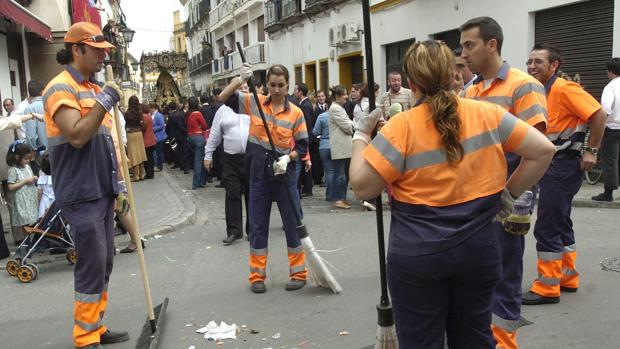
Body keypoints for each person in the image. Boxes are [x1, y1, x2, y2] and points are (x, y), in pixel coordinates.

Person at [349, 39, 555, 349]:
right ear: (453, 74)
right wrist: (507, 195)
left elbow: (363, 186)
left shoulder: (401, 127)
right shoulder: (488, 114)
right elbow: (543, 151)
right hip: (479, 251)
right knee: (474, 338)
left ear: (410, 81)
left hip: (418, 256)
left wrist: (361, 136)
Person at [459, 16, 548, 348]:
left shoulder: (523, 85)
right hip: (475, 198)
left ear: (491, 45)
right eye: (463, 46)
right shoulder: (470, 90)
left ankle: (504, 343)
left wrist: (515, 199)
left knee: (504, 274)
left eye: (470, 45)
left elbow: (537, 148)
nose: (464, 53)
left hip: (508, 196)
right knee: (480, 273)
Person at [42, 21, 128, 348]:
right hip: (81, 192)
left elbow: (106, 142)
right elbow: (77, 135)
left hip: (102, 190)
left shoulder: (92, 89)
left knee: (104, 261)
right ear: (76, 49)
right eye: (98, 51)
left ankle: (96, 325)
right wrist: (106, 100)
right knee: (92, 264)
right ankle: (86, 335)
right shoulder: (60, 88)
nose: (104, 57)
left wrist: (118, 186)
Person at [522, 43, 606, 305]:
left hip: (563, 165)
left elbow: (600, 114)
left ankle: (547, 287)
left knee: (547, 224)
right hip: (553, 164)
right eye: (530, 61)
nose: (532, 66)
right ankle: (567, 277)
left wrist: (591, 150)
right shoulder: (539, 91)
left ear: (554, 65)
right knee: (561, 222)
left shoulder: (564, 88)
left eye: (538, 62)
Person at [218, 63, 308, 294]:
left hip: (284, 174)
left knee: (293, 223)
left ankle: (298, 272)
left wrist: (289, 157)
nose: (276, 89)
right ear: (267, 84)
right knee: (258, 225)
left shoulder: (296, 113)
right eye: (272, 85)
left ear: (288, 86)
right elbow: (222, 97)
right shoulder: (254, 102)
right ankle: (257, 276)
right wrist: (239, 79)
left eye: (281, 85)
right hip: (258, 176)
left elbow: (303, 145)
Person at [204, 86, 250, 245]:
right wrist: (208, 154)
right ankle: (234, 231)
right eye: (238, 88)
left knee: (253, 194)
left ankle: (253, 229)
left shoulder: (254, 107)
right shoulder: (223, 111)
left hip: (251, 158)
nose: (242, 90)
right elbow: (215, 134)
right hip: (230, 159)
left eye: (245, 87)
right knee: (232, 193)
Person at [592, 57, 620, 202]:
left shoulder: (610, 87)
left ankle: (608, 193)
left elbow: (605, 111)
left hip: (612, 129)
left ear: (609, 72)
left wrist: (598, 129)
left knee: (610, 161)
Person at [6, 141, 38, 245]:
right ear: (17, 157)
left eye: (29, 159)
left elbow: (30, 177)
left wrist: (34, 179)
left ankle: (33, 241)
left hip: (30, 199)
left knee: (32, 220)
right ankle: (26, 242)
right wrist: (24, 182)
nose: (28, 161)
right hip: (21, 201)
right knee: (24, 222)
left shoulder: (27, 167)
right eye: (25, 159)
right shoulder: (13, 170)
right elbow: (10, 186)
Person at [328, 85, 355, 209]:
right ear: (337, 97)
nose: (346, 96)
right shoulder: (335, 109)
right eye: (344, 94)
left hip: (343, 146)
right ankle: (338, 199)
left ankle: (341, 198)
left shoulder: (339, 108)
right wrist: (352, 124)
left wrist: (351, 123)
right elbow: (348, 126)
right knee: (340, 174)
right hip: (340, 146)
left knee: (343, 173)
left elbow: (349, 123)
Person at [294, 83, 314, 197]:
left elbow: (307, 123)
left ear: (300, 92)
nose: (294, 92)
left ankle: (307, 188)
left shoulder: (305, 105)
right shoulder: (304, 104)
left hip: (305, 137)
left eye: (296, 90)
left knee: (306, 163)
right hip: (305, 137)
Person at [186, 96, 208, 189]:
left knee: (198, 159)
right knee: (198, 160)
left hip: (190, 137)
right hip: (198, 138)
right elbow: (205, 125)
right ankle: (196, 183)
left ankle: (202, 180)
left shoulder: (187, 114)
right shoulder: (197, 113)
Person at [312, 104, 333, 201]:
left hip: (324, 145)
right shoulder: (339, 115)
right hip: (336, 144)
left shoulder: (322, 116)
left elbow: (315, 132)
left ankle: (329, 195)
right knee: (338, 171)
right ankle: (338, 195)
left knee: (328, 171)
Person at [124, 96, 147, 181]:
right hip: (139, 133)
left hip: (131, 133)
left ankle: (135, 175)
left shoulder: (128, 113)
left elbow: (125, 123)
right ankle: (141, 174)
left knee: (133, 154)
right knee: (140, 153)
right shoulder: (140, 112)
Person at [23, 80, 48, 151]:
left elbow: (31, 136)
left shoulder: (30, 108)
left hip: (42, 151)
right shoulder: (50, 103)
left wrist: (32, 150)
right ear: (42, 91)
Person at [149, 103, 166, 172]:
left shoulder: (159, 115)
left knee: (159, 152)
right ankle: (157, 164)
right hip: (155, 136)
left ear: (153, 108)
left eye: (150, 108)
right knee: (156, 151)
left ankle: (160, 166)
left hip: (159, 136)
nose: (149, 110)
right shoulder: (153, 115)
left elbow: (161, 125)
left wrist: (153, 129)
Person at [37, 152, 54, 218]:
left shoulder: (41, 178)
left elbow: (39, 192)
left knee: (44, 221)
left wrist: (38, 202)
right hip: (56, 202)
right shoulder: (58, 178)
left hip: (44, 202)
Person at [141, 104, 157, 179]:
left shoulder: (144, 116)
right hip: (151, 139)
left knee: (147, 158)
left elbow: (143, 128)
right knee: (150, 157)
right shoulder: (149, 116)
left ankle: (149, 173)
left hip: (146, 139)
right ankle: (151, 173)